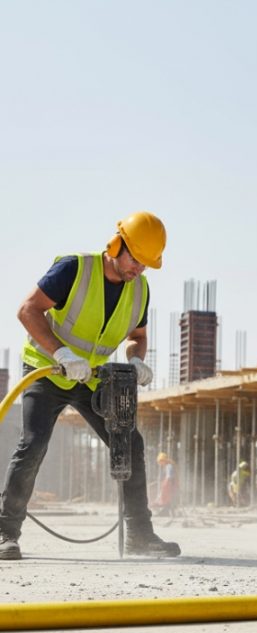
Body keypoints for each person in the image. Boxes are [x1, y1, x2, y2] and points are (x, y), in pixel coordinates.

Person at [0, 211, 181, 559]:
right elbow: (28, 310)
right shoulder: (74, 269)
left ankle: (140, 535)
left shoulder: (139, 288)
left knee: (129, 441)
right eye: (135, 260)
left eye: (146, 265)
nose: (137, 270)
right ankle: (5, 532)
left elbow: (137, 336)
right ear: (116, 244)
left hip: (91, 376)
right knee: (34, 444)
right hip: (48, 369)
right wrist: (62, 354)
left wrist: (136, 359)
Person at [153, 452, 179, 516]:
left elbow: (169, 477)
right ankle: (168, 512)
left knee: (167, 498)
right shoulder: (168, 465)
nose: (160, 464)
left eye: (160, 462)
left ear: (163, 460)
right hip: (171, 484)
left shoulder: (168, 466)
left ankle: (168, 512)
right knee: (169, 499)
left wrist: (165, 485)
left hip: (171, 485)